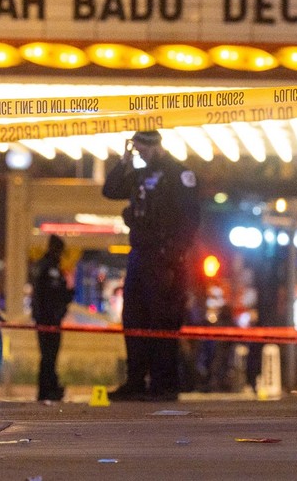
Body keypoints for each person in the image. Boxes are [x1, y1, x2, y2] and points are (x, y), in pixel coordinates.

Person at [103, 129, 201, 401]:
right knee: (133, 319)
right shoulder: (139, 173)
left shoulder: (178, 174)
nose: (140, 154)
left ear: (155, 145)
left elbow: (191, 217)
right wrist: (123, 161)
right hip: (140, 255)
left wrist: (175, 253)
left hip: (164, 257)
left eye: (142, 149)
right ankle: (136, 381)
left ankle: (164, 383)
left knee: (162, 320)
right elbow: (110, 190)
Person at [31, 234, 74, 402]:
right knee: (49, 355)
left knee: (49, 355)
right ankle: (48, 389)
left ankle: (49, 387)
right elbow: (51, 295)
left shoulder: (46, 266)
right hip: (48, 319)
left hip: (49, 318)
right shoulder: (49, 268)